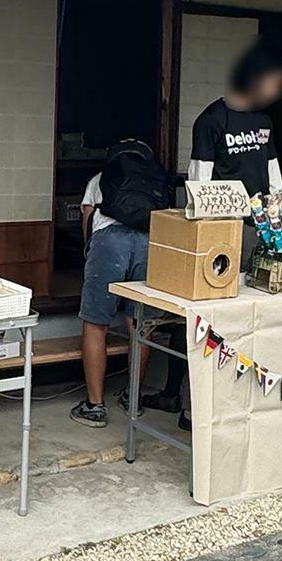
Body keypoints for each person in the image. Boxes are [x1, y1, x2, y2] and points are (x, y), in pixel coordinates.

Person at [71, 136, 169, 427]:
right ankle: (133, 398)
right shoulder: (154, 180)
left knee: (95, 322)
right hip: (147, 242)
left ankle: (95, 405)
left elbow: (88, 221)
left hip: (109, 242)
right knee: (139, 322)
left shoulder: (99, 180)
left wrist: (91, 256)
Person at [188, 39, 282, 198]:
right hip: (225, 211)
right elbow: (200, 170)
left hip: (260, 210)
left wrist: (279, 200)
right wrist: (201, 211)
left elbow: (271, 164)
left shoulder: (263, 120)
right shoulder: (211, 119)